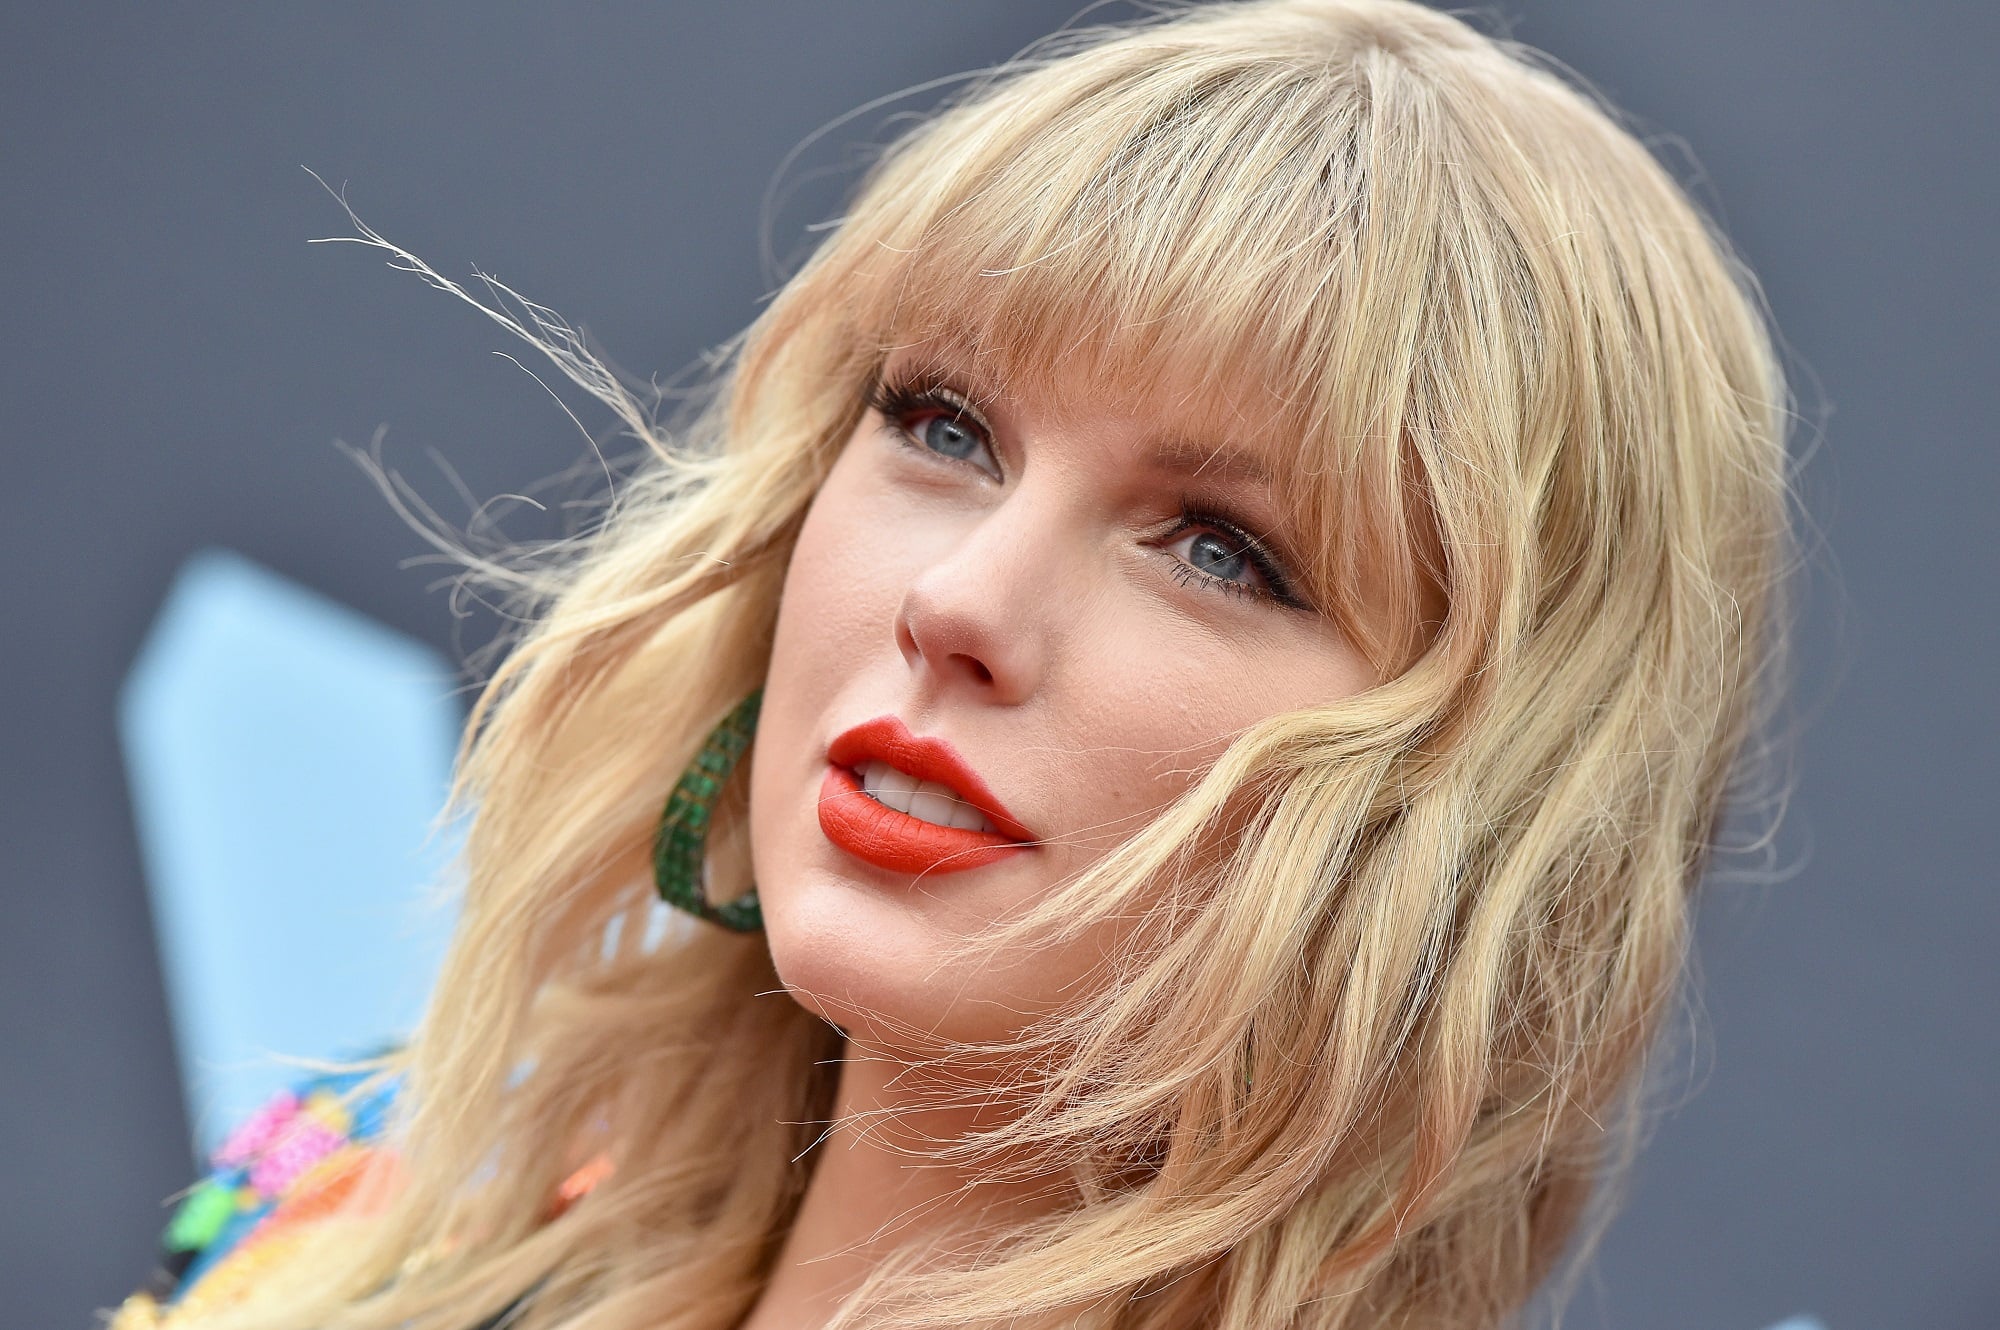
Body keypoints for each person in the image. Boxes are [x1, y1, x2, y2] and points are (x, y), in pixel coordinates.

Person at [112, 0, 1793, 1326]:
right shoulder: (344, 1230)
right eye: (943, 424)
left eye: (1222, 548)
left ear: (1499, 795)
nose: (959, 601)